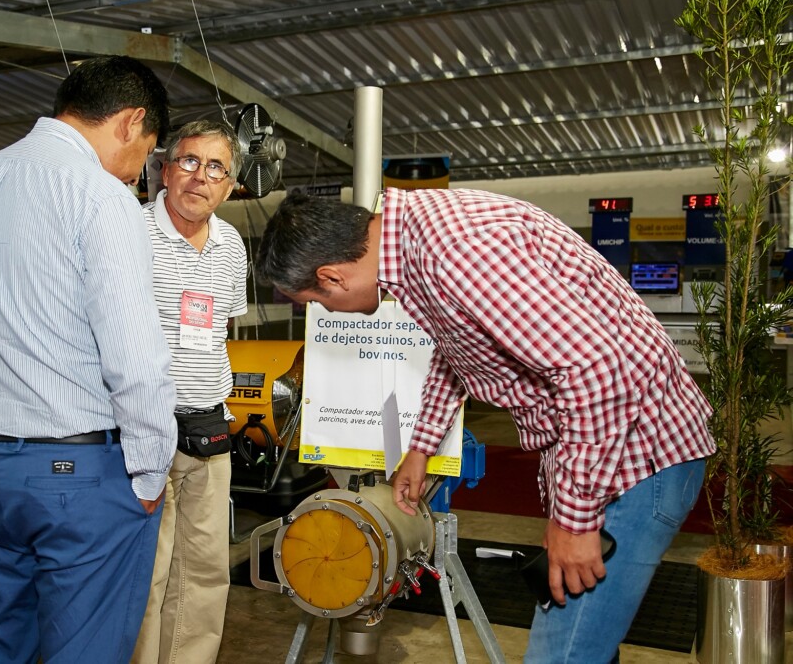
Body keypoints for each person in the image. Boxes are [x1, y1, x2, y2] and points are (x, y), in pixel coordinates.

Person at [254, 188, 716, 663]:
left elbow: (592, 370)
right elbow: (456, 349)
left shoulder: (457, 251)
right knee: (590, 645)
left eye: (317, 301)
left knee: (561, 656)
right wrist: (421, 448)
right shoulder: (412, 244)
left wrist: (575, 522)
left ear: (331, 276)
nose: (327, 312)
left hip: (635, 457)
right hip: (605, 450)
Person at [0, 55, 178, 664]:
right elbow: (133, 350)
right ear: (131, 122)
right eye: (147, 150)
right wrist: (148, 469)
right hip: (83, 475)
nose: (139, 168)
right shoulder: (100, 193)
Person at [132, 120, 248, 664]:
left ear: (230, 187)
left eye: (216, 168)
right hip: (141, 430)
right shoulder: (131, 231)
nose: (200, 177)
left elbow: (219, 331)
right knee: (146, 575)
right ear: (164, 169)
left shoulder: (231, 246)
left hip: (208, 427)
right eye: (189, 161)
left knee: (205, 569)